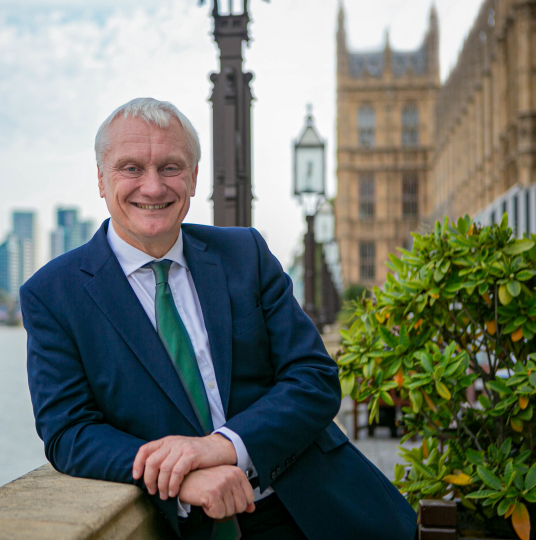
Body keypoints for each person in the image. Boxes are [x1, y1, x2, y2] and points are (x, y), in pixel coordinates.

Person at [21, 97, 416, 539]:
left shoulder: (246, 253)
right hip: (188, 526)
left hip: (315, 508)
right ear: (100, 178)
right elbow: (69, 431)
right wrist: (178, 478)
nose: (152, 187)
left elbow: (314, 378)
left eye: (170, 167)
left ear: (193, 178)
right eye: (131, 168)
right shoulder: (53, 294)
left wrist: (223, 447)